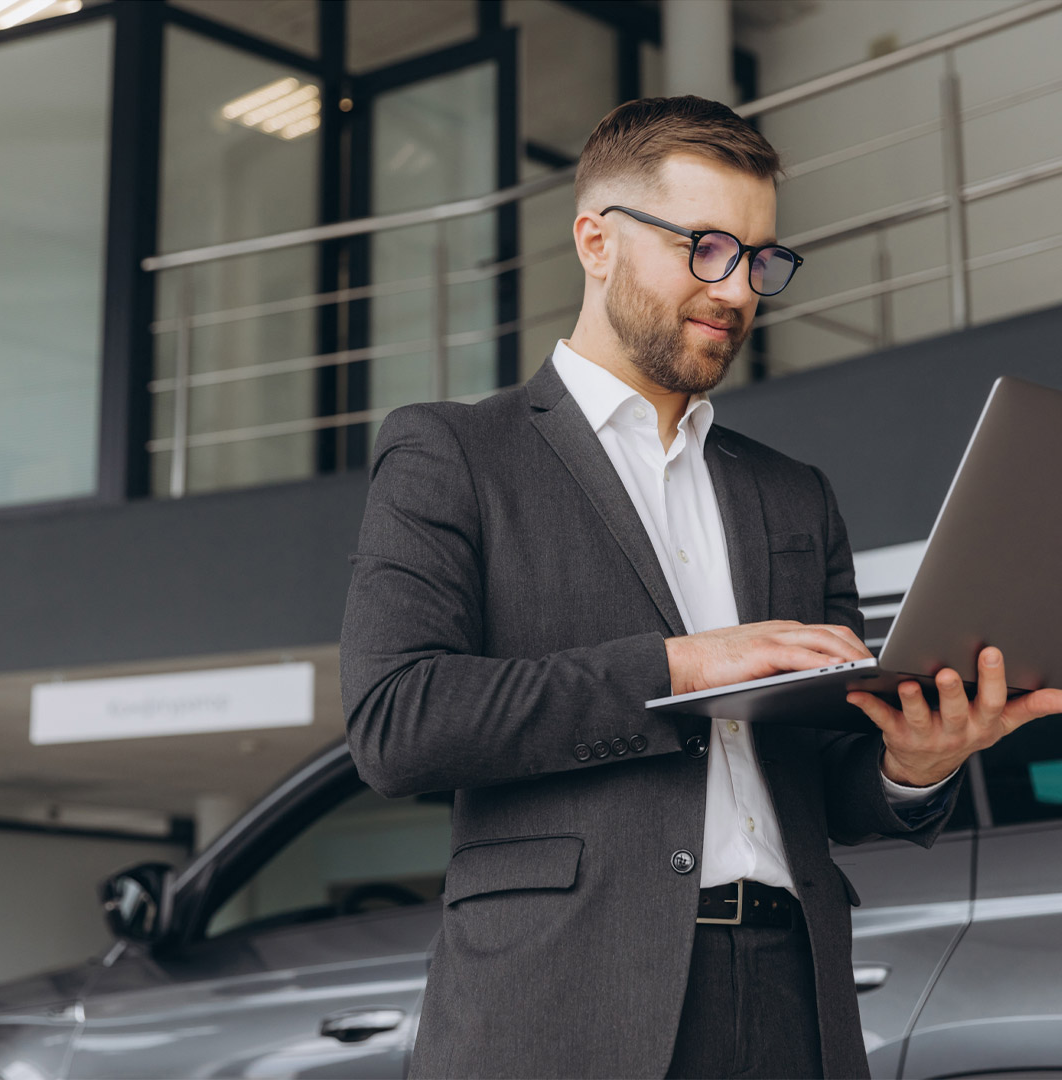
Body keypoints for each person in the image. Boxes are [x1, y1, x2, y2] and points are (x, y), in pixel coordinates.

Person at [339, 97, 1062, 1080]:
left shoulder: (792, 494)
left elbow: (830, 786)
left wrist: (916, 763)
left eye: (762, 260)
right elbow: (398, 724)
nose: (739, 290)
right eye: (706, 248)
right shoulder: (454, 454)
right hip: (567, 1001)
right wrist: (680, 664)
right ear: (596, 241)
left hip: (791, 993)